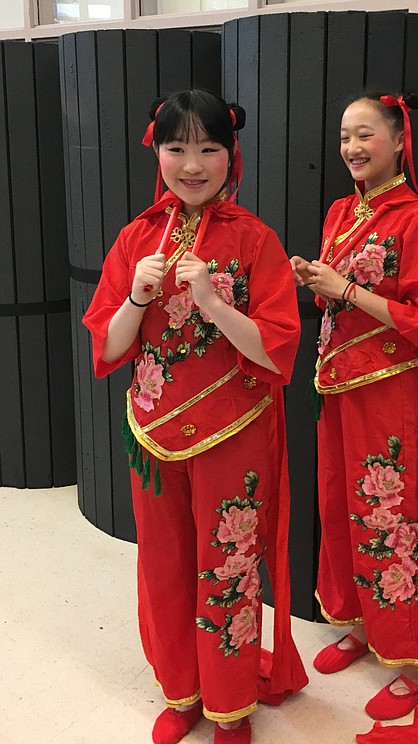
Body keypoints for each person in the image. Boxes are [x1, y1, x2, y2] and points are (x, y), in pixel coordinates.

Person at [83, 89, 307, 744]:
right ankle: (181, 690)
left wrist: (211, 298)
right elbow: (111, 347)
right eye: (177, 147)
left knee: (229, 564)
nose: (193, 162)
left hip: (233, 435)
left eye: (208, 147)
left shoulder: (255, 241)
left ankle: (231, 702)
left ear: (230, 154)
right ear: (156, 152)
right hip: (152, 432)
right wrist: (135, 294)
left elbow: (276, 349)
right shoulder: (135, 239)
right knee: (164, 562)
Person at [290, 92, 418, 741]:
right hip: (338, 386)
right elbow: (344, 301)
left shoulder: (417, 219)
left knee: (389, 514)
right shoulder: (337, 211)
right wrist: (317, 280)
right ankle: (358, 624)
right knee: (339, 507)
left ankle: (412, 653)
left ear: (398, 141)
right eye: (345, 136)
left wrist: (343, 290)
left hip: (391, 391)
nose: (352, 147)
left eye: (365, 135)